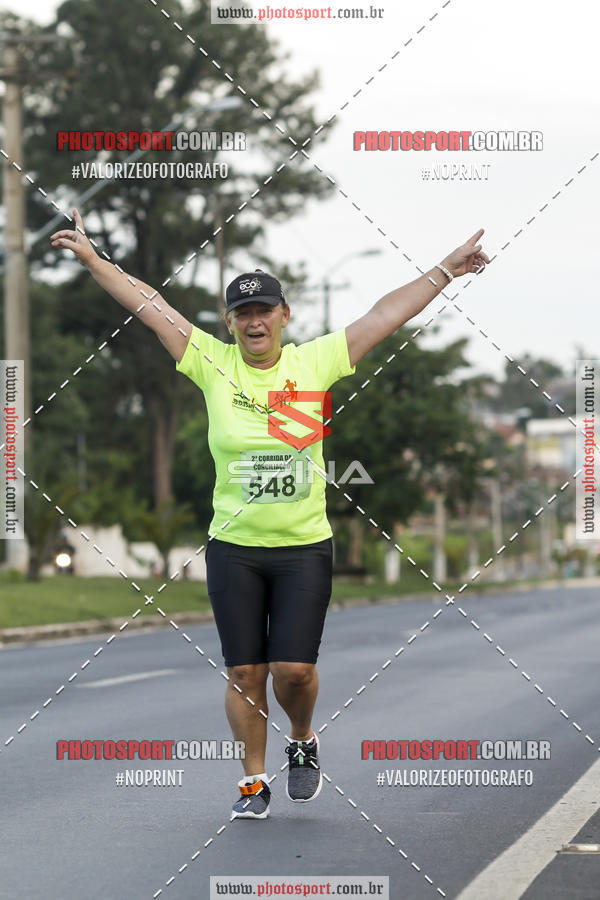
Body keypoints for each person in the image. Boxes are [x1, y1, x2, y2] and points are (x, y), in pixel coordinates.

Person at [51, 209, 489, 820]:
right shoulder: (211, 363)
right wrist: (95, 260)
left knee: (294, 670)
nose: (254, 321)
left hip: (303, 546)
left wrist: (447, 269)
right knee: (244, 672)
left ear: (284, 315)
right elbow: (149, 305)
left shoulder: (315, 363)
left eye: (264, 310)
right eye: (243, 313)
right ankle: (252, 783)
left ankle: (303, 738)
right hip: (234, 548)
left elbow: (385, 315)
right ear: (230, 322)